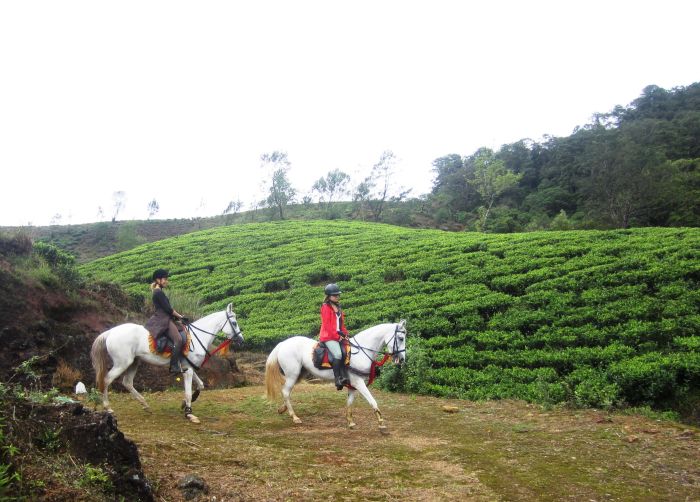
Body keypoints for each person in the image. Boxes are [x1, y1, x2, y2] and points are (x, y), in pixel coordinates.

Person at [144, 269, 187, 373]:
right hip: (163, 319)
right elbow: (168, 309)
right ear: (158, 280)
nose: (166, 281)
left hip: (165, 317)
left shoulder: (159, 291)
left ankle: (180, 361)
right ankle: (173, 367)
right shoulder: (158, 293)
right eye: (165, 279)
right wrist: (181, 317)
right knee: (178, 340)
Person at [319, 283, 351, 390]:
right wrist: (337, 337)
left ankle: (345, 376)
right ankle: (337, 379)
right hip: (328, 336)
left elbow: (341, 324)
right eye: (334, 295)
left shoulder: (338, 307)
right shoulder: (325, 307)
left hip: (337, 334)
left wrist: (345, 334)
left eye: (338, 295)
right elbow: (327, 326)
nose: (337, 296)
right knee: (337, 354)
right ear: (328, 296)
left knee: (346, 350)